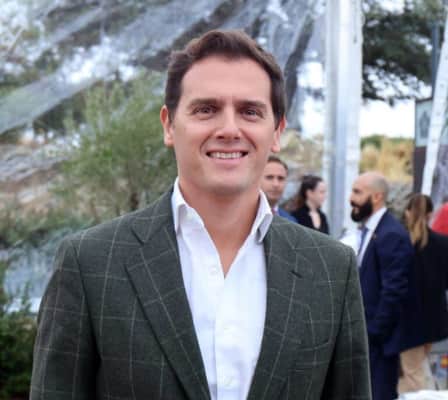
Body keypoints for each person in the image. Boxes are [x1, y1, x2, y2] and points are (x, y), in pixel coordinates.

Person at [31, 29, 371, 400]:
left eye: (250, 111)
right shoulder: (90, 263)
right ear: (168, 125)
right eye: (206, 109)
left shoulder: (331, 269)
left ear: (277, 131)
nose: (229, 129)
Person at [350, 171, 421, 400]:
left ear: (377, 197)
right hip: (368, 340)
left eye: (358, 192)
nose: (351, 198)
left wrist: (373, 333)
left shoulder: (391, 234)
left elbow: (394, 291)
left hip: (379, 343)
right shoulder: (372, 231)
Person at [398, 194, 448, 393]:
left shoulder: (400, 242)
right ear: (430, 214)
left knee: (411, 372)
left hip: (407, 319)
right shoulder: (443, 243)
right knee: (417, 367)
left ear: (407, 212)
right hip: (433, 318)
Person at [260, 155, 297, 222]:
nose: (276, 184)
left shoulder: (290, 221)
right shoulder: (242, 216)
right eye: (269, 177)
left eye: (281, 178)